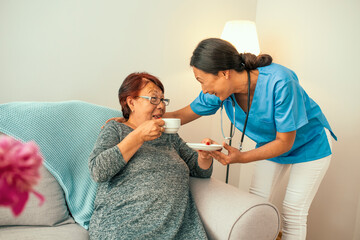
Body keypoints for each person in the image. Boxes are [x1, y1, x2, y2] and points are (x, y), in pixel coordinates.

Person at [109, 38, 336, 240]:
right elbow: (181, 115)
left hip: (310, 143)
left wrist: (241, 158)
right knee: (256, 202)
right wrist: (133, 119)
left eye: (202, 80)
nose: (203, 89)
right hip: (270, 145)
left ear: (224, 73)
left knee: (292, 210)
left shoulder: (280, 81)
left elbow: (285, 142)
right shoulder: (221, 92)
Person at [88, 72, 213, 239]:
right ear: (131, 102)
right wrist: (138, 136)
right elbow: (98, 171)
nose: (161, 106)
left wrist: (204, 157)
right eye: (154, 99)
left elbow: (200, 171)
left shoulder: (169, 135)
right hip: (121, 229)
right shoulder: (116, 129)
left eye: (162, 100)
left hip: (176, 231)